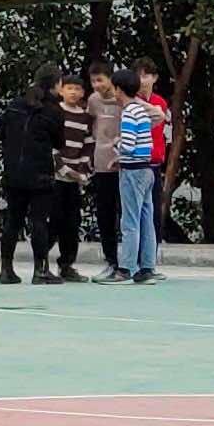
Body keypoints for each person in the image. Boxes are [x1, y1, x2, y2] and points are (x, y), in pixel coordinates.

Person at [0, 71, 77, 286]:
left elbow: (0, 133)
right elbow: (60, 143)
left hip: (13, 171)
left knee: (13, 220)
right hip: (39, 173)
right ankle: (40, 270)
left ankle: (6, 269)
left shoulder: (15, 104)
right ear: (55, 86)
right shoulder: (54, 111)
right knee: (39, 221)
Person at [115, 67, 170, 285]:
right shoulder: (142, 111)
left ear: (119, 90)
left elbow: (128, 144)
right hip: (147, 169)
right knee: (147, 220)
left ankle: (126, 268)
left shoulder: (129, 112)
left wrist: (116, 144)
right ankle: (147, 267)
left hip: (132, 171)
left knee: (130, 221)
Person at [82, 67, 129, 279]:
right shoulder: (93, 101)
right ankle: (110, 260)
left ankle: (130, 263)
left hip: (122, 164)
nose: (97, 86)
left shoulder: (124, 101)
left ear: (111, 79)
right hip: (101, 166)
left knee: (126, 215)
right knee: (105, 215)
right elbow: (89, 128)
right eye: (93, 82)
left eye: (100, 80)